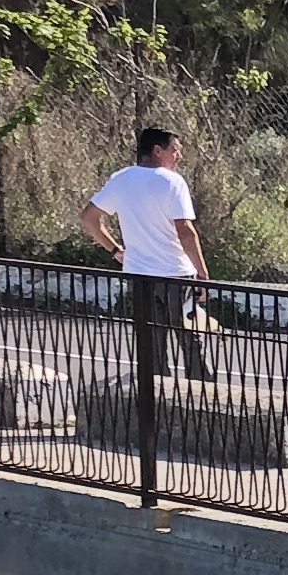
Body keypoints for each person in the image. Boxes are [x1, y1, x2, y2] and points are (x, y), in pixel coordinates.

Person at [90, 123, 216, 388]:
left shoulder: (121, 178)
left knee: (151, 339)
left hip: (139, 275)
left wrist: (115, 251)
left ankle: (157, 394)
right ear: (158, 150)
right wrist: (202, 274)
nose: (178, 156)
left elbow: (89, 217)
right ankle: (202, 390)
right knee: (189, 337)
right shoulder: (172, 181)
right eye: (175, 150)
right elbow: (185, 231)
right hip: (176, 274)